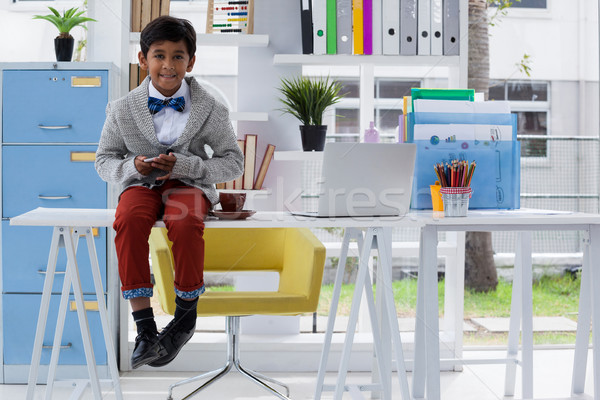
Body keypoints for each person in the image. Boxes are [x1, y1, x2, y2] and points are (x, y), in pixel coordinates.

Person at [95, 15, 244, 369]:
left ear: (191, 62)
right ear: (143, 60)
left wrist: (188, 166)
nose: (168, 64)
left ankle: (184, 317)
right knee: (128, 220)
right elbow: (103, 161)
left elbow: (233, 162)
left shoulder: (211, 108)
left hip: (188, 183)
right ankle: (145, 327)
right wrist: (134, 167)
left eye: (178, 56)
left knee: (187, 219)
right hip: (141, 183)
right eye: (159, 55)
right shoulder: (120, 109)